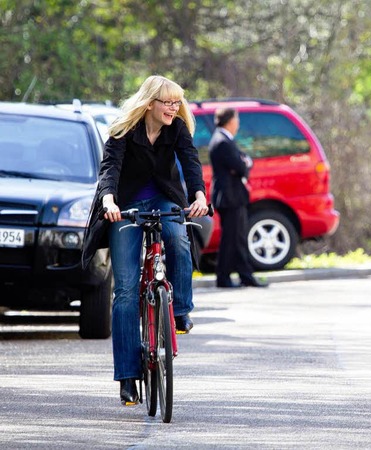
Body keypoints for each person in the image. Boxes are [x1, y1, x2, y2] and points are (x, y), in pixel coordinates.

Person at [81, 75, 210, 405]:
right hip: (124, 207)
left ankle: (179, 311)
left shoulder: (176, 129)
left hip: (164, 199)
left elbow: (190, 161)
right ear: (150, 103)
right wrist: (108, 201)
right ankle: (127, 376)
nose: (173, 107)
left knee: (178, 239)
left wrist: (198, 194)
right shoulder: (123, 130)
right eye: (167, 102)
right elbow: (109, 169)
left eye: (176, 102)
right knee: (124, 290)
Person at [208, 107, 268, 288]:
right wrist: (244, 164)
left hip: (233, 196)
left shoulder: (225, 140)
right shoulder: (222, 142)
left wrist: (243, 163)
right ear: (230, 121)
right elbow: (241, 166)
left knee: (238, 237)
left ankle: (244, 275)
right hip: (230, 196)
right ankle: (225, 277)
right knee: (232, 239)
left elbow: (241, 163)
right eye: (237, 119)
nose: (238, 123)